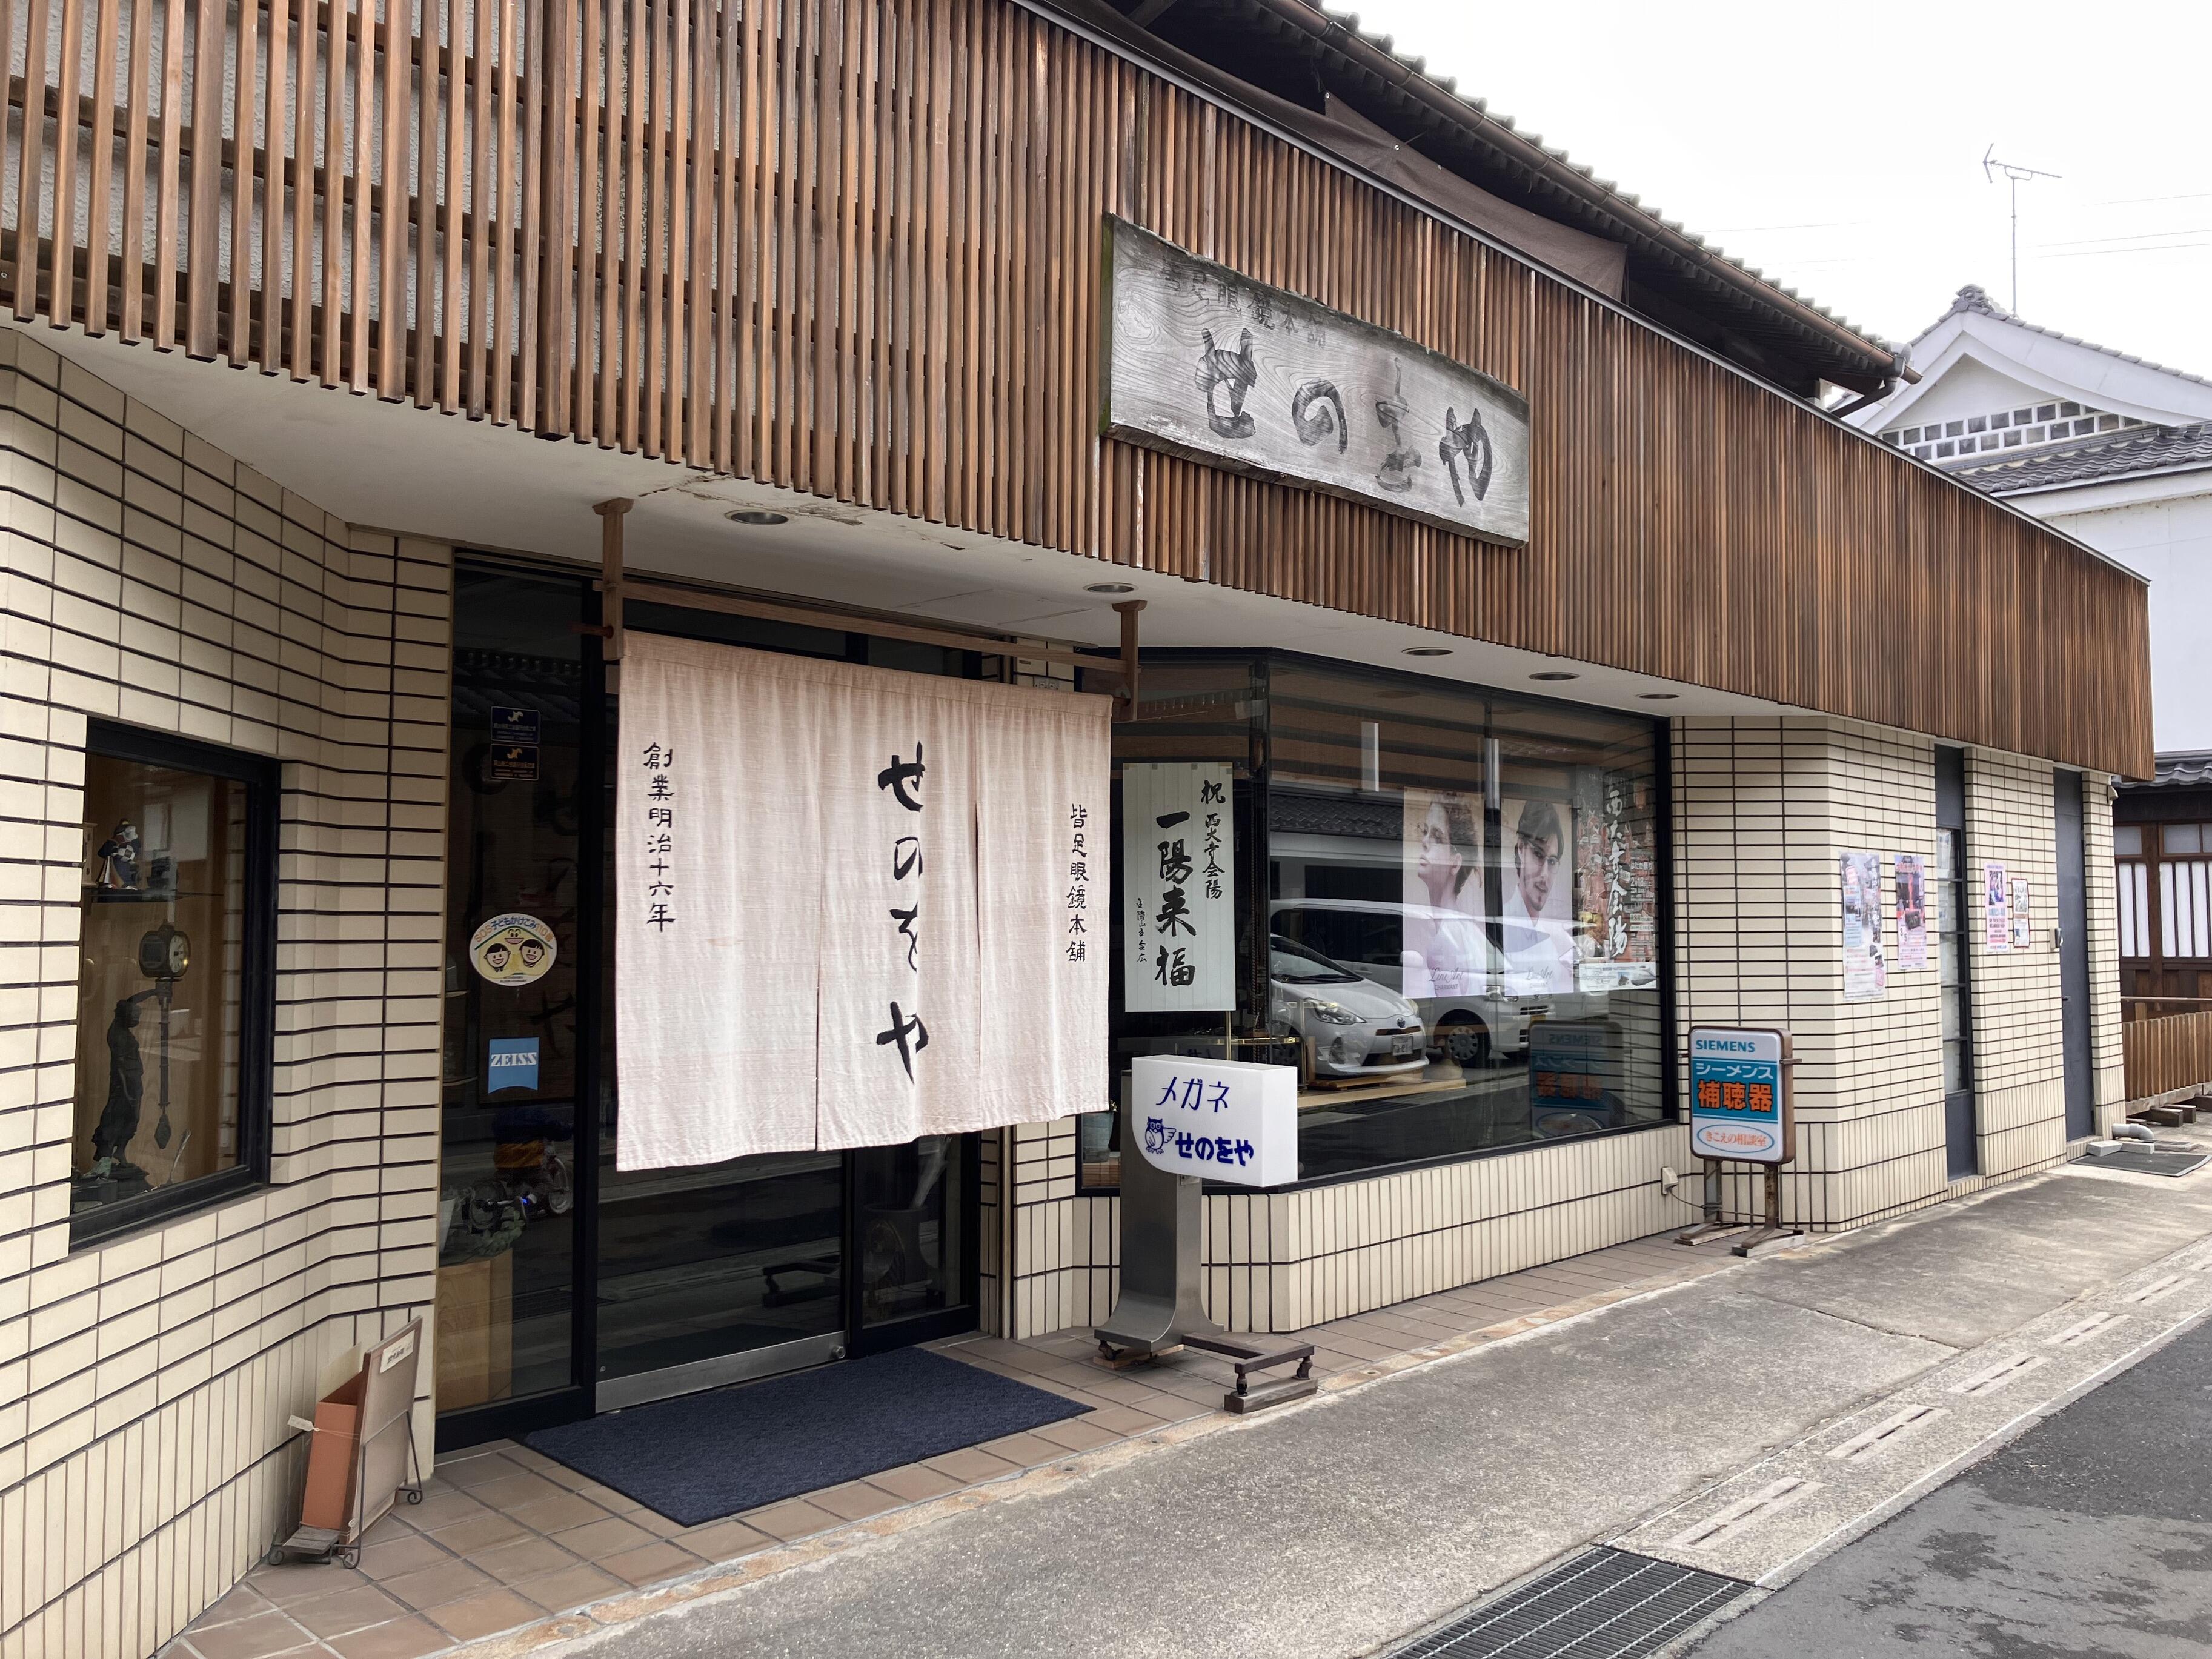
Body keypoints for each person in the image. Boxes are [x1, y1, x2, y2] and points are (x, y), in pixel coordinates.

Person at [1403, 792, 1485, 996]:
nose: (1424, 842)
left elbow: (1452, 1009)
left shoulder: (1445, 941)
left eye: (1437, 836)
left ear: (1455, 862)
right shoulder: (1465, 930)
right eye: (1425, 831)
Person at [1502, 799, 1575, 991]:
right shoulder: (1499, 927)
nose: (1544, 876)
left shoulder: (1558, 941)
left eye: (1552, 862)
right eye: (1538, 854)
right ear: (1521, 849)